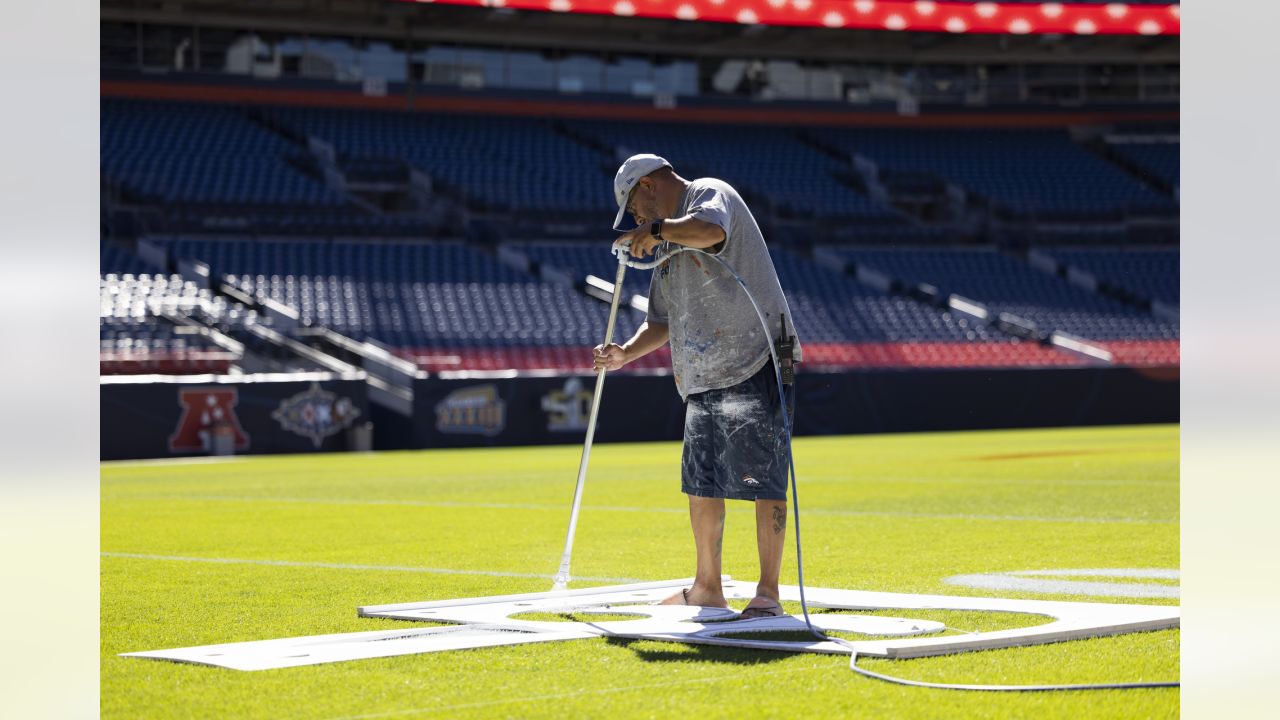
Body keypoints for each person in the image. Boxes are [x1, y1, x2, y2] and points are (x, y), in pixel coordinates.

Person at [593, 154, 802, 619]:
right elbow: (660, 321)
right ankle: (707, 586)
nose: (637, 219)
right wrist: (625, 352)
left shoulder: (708, 193)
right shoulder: (667, 240)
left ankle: (768, 592)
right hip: (702, 374)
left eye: (634, 208)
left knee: (762, 479)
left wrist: (657, 230)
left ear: (647, 184)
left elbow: (711, 231)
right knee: (701, 483)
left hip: (757, 357)